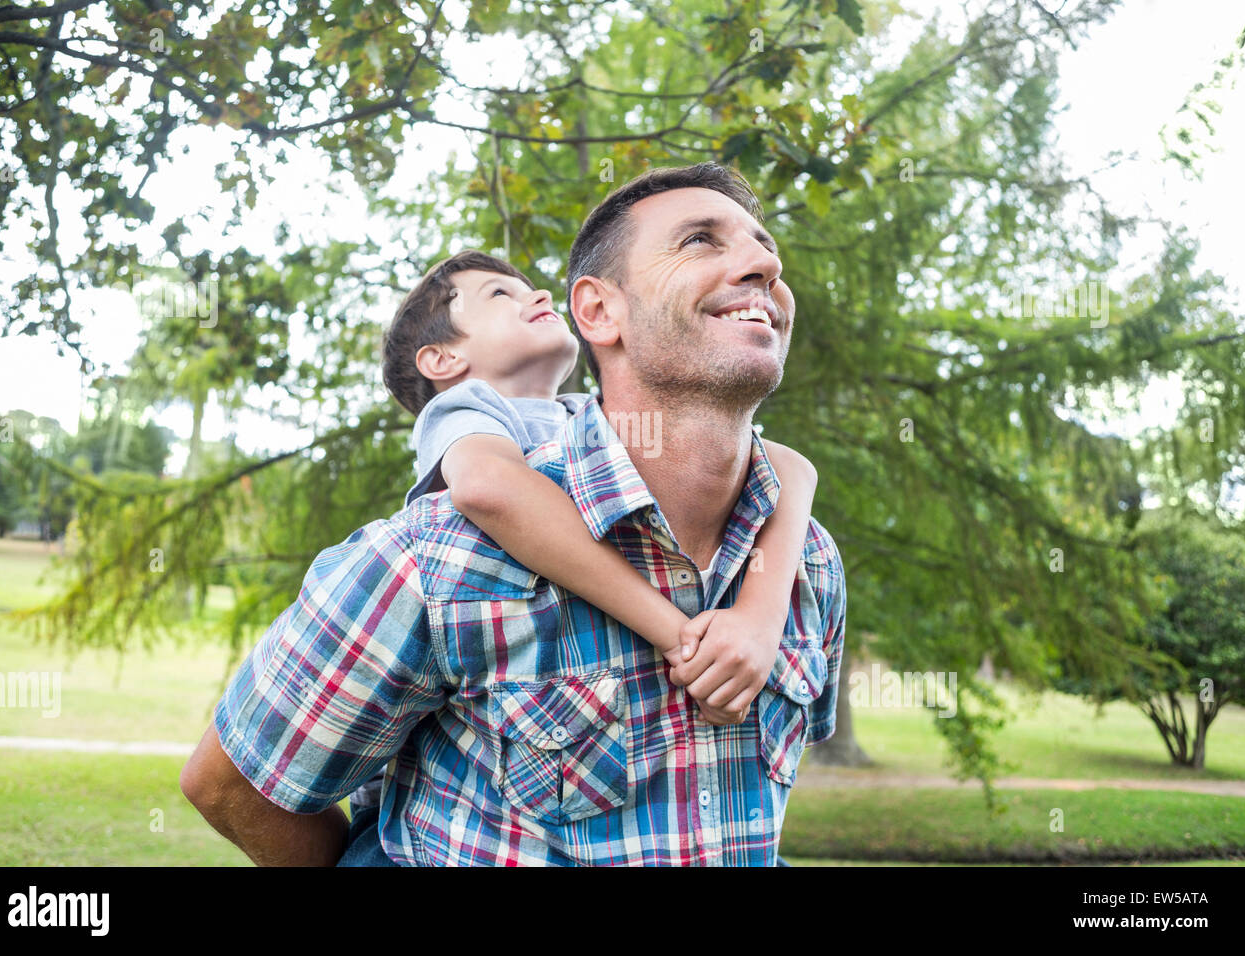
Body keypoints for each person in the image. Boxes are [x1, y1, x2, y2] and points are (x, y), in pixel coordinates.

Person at [180, 161, 847, 866]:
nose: (765, 262)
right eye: (699, 241)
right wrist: (683, 636)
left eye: (763, 242)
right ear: (597, 311)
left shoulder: (807, 560)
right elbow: (232, 787)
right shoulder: (442, 550)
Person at [337, 248, 818, 862]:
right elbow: (489, 489)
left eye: (532, 287)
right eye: (499, 296)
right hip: (404, 804)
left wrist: (758, 614)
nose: (535, 295)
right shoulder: (465, 411)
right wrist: (678, 636)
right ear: (442, 359)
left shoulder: (579, 417)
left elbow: (789, 466)